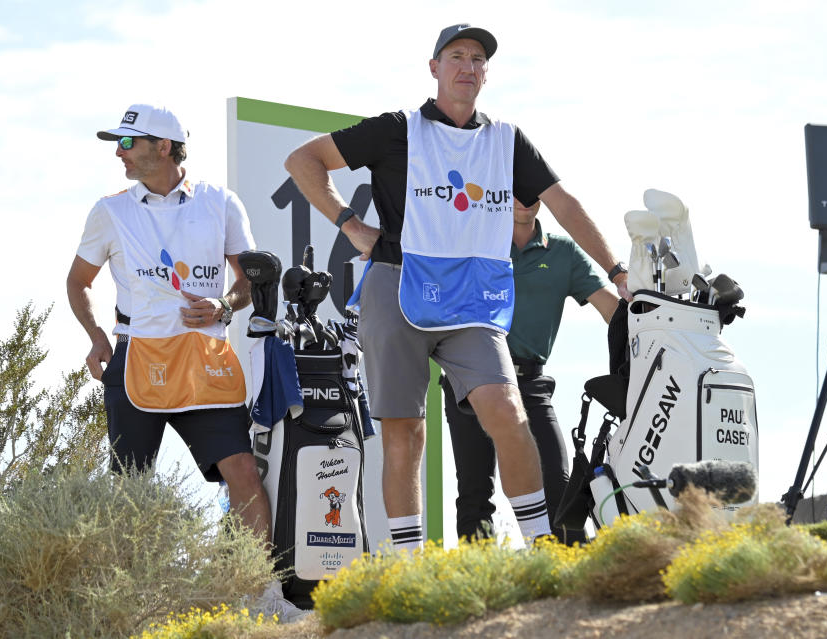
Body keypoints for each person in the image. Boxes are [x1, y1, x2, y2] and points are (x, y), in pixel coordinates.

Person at [284, 24, 631, 549]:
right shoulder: (396, 128)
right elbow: (303, 160)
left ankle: (541, 548)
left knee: (508, 413)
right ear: (435, 68)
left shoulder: (507, 141)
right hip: (396, 288)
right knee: (406, 432)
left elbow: (564, 205)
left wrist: (617, 272)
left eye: (477, 59)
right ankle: (409, 565)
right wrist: (351, 224)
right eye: (456, 56)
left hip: (472, 303)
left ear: (486, 74)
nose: (468, 66)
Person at [66, 104, 306, 623]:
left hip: (204, 360)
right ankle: (128, 610)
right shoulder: (109, 210)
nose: (119, 152)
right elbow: (77, 282)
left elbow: (247, 281)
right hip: (136, 360)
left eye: (129, 143)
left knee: (242, 470)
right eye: (119, 143)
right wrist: (95, 337)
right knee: (130, 487)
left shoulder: (221, 202)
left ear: (165, 147)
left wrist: (223, 305)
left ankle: (262, 596)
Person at [443, 198, 619, 545]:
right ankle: (482, 590)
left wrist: (652, 321)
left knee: (559, 487)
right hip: (470, 380)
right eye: (516, 191)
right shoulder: (475, 243)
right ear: (501, 194)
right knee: (475, 497)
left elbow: (611, 310)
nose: (525, 201)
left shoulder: (563, 253)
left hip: (531, 383)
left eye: (533, 192)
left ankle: (568, 581)